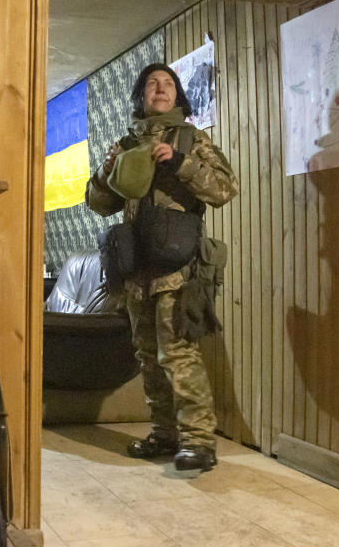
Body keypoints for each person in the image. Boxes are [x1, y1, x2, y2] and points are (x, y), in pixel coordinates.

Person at [86, 63, 238, 471]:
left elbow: (225, 189)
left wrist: (180, 162)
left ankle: (199, 441)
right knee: (148, 356)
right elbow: (99, 205)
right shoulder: (126, 144)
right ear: (141, 96)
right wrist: (105, 172)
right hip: (137, 271)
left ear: (178, 97)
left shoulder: (191, 139)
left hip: (178, 269)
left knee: (178, 354)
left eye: (168, 83)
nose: (160, 88)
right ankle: (165, 434)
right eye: (152, 83)